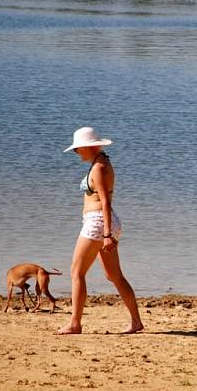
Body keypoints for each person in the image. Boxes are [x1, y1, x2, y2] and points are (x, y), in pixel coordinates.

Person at [56, 127, 144, 335]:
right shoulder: (100, 163)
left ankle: (75, 324)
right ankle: (136, 322)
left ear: (91, 147)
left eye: (79, 149)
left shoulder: (99, 167)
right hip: (101, 223)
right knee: (114, 275)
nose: (77, 153)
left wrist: (106, 235)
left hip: (98, 223)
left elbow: (104, 202)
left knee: (77, 272)